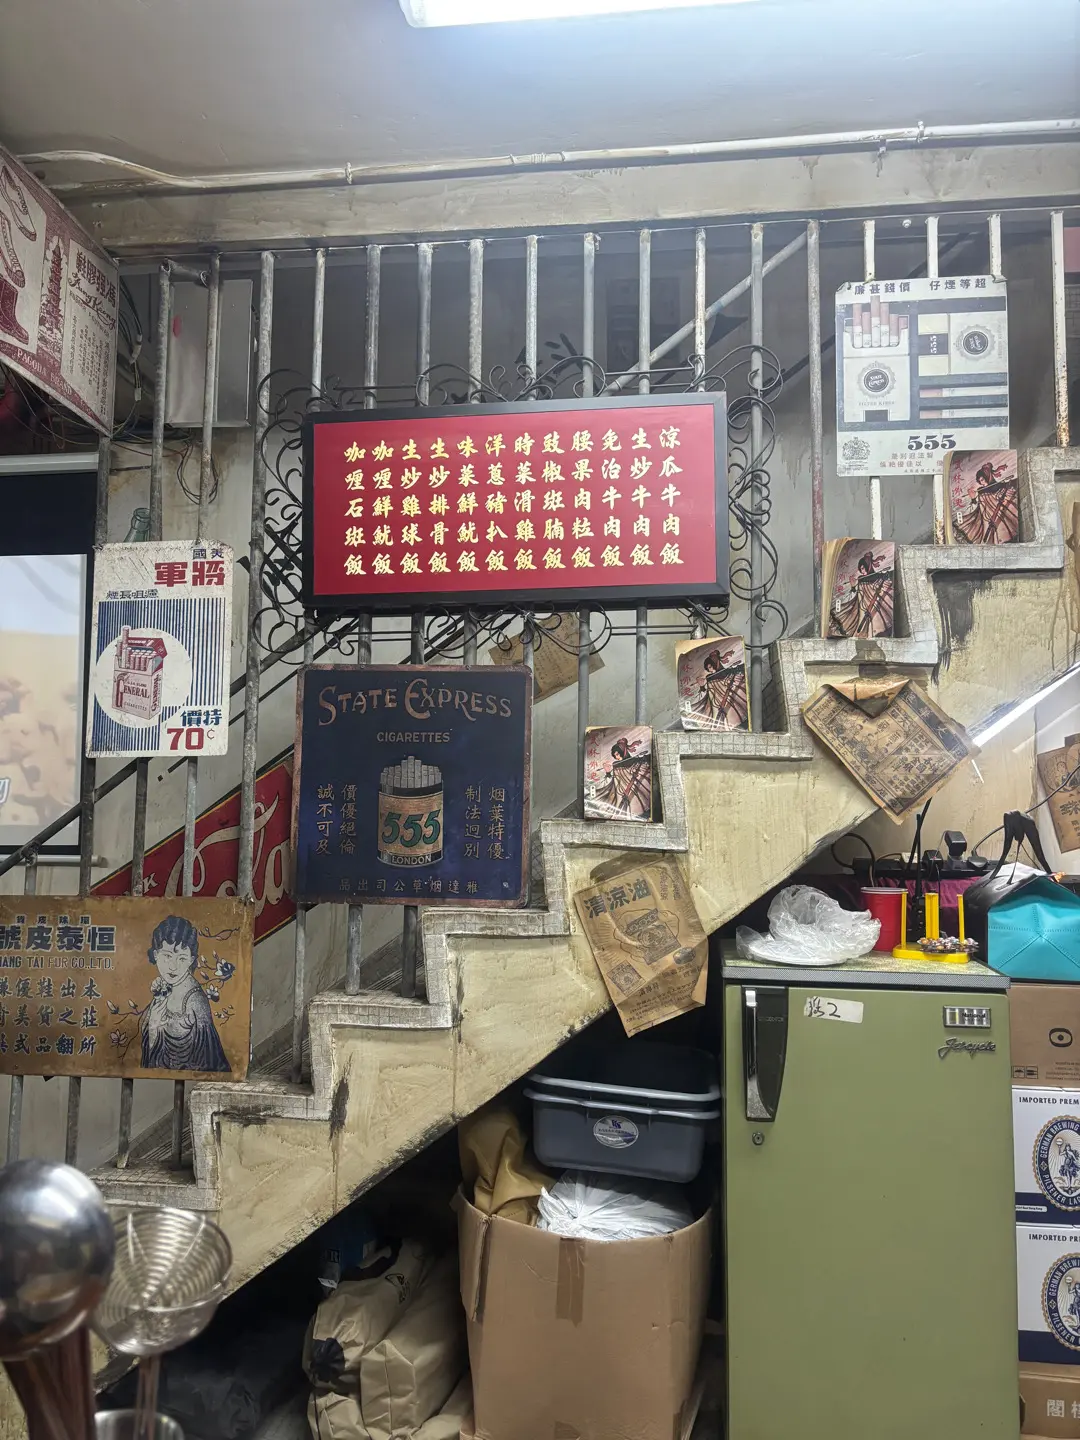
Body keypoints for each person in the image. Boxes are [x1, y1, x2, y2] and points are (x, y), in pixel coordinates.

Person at [141, 915, 230, 1073]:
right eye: (167, 956)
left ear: (191, 960)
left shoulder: (195, 1001)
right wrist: (154, 1023)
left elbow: (209, 1062)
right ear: (155, 955)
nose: (173, 966)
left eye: (181, 959)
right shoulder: (163, 989)